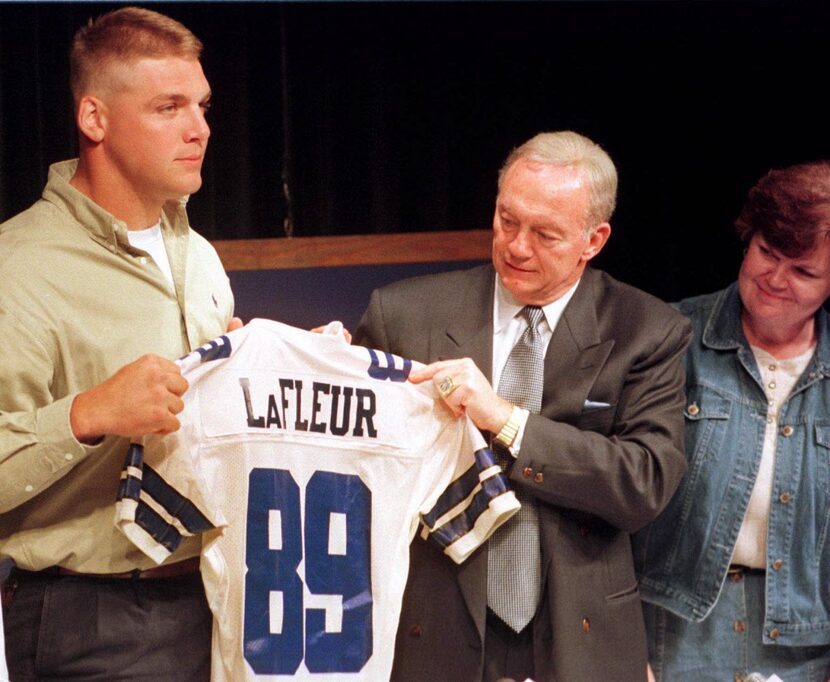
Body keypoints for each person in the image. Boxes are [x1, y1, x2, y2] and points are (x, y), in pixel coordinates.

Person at [354, 130, 692, 681]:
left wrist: (506, 422)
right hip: (432, 630)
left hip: (579, 636)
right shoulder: (404, 314)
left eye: (545, 234)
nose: (515, 246)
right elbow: (356, 466)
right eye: (507, 220)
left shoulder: (646, 330)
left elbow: (644, 481)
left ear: (594, 240)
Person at [0, 7, 240, 680]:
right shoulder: (16, 267)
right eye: (168, 107)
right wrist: (89, 415)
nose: (199, 128)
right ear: (94, 118)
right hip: (93, 619)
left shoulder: (198, 255)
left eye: (202, 105)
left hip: (219, 598)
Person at [633, 161, 830, 681]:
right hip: (670, 631)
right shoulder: (667, 338)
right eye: (767, 252)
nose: (775, 278)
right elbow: (608, 504)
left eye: (804, 271)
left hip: (810, 649)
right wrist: (623, 651)